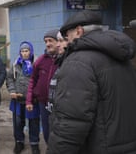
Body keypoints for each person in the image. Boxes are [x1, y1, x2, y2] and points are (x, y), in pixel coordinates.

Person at [47, 10, 136, 154]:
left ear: (79, 31)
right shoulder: (122, 58)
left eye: (67, 36)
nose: (65, 41)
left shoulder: (78, 62)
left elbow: (71, 123)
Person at [26, 29, 59, 154]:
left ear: (58, 42)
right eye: (46, 41)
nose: (47, 44)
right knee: (46, 131)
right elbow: (32, 80)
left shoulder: (65, 60)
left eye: (51, 40)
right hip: (43, 104)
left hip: (60, 104)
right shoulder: (40, 60)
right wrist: (29, 100)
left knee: (59, 132)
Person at [6, 41, 39, 154]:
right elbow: (10, 78)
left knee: (34, 122)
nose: (24, 53)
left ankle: (34, 144)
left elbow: (39, 80)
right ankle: (19, 142)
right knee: (18, 123)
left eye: (27, 51)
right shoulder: (15, 65)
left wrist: (36, 93)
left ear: (31, 51)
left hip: (32, 101)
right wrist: (12, 91)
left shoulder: (36, 64)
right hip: (18, 100)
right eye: (22, 51)